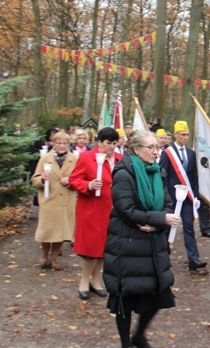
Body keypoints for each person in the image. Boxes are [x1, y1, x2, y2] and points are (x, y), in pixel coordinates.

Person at [104, 130, 182, 348]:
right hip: (127, 243)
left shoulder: (157, 172)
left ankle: (139, 335)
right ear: (136, 149)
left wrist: (158, 219)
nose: (156, 152)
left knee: (158, 292)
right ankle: (125, 344)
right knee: (126, 298)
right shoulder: (123, 173)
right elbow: (125, 209)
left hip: (153, 244)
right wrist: (158, 218)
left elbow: (167, 203)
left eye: (158, 147)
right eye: (151, 148)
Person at [69, 127, 123, 300]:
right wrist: (88, 186)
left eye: (114, 144)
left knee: (104, 248)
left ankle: (96, 279)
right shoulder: (86, 157)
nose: (111, 147)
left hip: (112, 210)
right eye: (108, 143)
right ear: (99, 142)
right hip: (91, 209)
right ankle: (84, 280)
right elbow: (74, 180)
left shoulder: (120, 159)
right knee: (90, 248)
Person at [159, 121, 208, 271]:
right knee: (168, 227)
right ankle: (164, 257)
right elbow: (163, 176)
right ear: (175, 135)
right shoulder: (167, 153)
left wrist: (196, 197)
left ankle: (194, 259)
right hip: (171, 198)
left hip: (187, 198)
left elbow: (193, 178)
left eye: (187, 135)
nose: (185, 137)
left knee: (189, 227)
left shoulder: (191, 154)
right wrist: (165, 196)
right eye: (182, 134)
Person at [31, 131, 77, 270]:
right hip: (50, 199)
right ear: (54, 143)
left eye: (65, 143)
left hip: (66, 201)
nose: (62, 146)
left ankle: (54, 258)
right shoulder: (46, 158)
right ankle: (44, 255)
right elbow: (35, 180)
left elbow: (79, 179)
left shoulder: (74, 159)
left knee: (61, 232)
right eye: (59, 143)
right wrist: (42, 179)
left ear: (69, 144)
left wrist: (70, 180)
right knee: (48, 230)